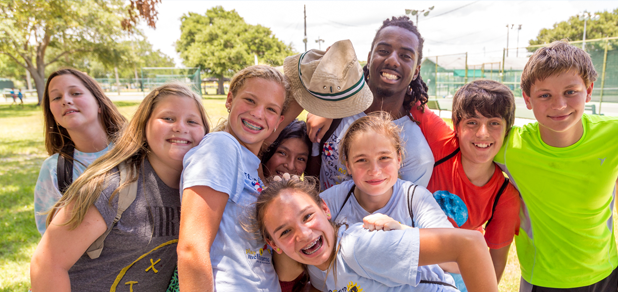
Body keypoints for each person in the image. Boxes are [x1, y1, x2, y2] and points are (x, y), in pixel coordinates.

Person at [30, 83, 210, 291]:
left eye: (192, 121)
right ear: (144, 126)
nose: (180, 127)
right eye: (168, 118)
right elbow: (47, 263)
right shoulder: (111, 186)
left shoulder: (197, 193)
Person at [495, 41, 618, 292]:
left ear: (588, 90)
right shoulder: (510, 148)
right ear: (527, 99)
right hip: (541, 281)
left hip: (607, 276)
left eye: (570, 92)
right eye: (545, 95)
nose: (559, 105)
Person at [248, 174, 499, 292]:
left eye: (307, 216)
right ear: (274, 244)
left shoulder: (359, 246)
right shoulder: (316, 264)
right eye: (286, 231)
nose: (303, 234)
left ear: (325, 209)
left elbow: (470, 243)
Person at [306, 112, 457, 291]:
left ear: (399, 159)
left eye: (384, 158)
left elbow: (456, 260)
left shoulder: (415, 199)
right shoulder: (330, 203)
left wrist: (402, 233)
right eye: (362, 160)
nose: (375, 170)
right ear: (348, 165)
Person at [177, 65, 289, 291]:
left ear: (279, 121)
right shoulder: (222, 146)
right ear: (229, 100)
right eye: (250, 100)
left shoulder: (253, 165)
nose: (258, 113)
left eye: (271, 109)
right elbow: (192, 248)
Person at [410, 80, 521, 289]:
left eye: (494, 123)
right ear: (456, 126)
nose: (482, 133)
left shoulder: (505, 197)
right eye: (472, 122)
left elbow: (495, 261)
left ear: (507, 130)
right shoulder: (441, 141)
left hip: (456, 265)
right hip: (414, 254)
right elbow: (404, 97)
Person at [305, 16, 435, 191]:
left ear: (416, 72)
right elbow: (311, 179)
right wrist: (327, 105)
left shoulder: (417, 154)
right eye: (383, 51)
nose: (392, 60)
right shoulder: (335, 110)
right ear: (369, 57)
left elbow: (401, 214)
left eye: (405, 56)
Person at [33, 68, 127, 235]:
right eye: (56, 97)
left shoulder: (134, 150)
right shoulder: (54, 170)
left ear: (99, 103)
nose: (66, 100)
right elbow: (52, 238)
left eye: (75, 93)